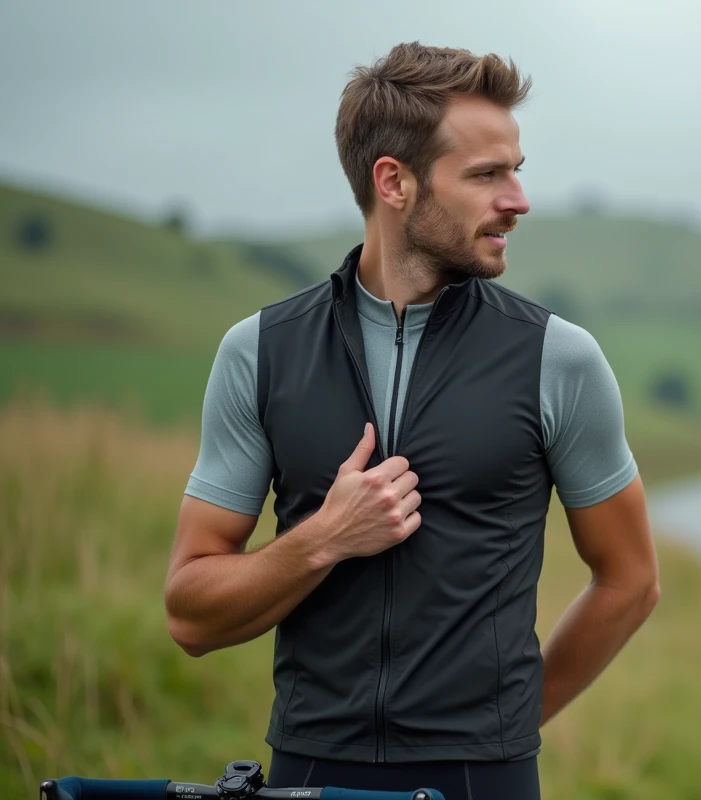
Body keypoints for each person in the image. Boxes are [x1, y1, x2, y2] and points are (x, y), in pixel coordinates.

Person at [163, 42, 660, 800]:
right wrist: (324, 540)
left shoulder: (559, 359)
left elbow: (629, 580)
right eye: (487, 174)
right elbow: (192, 615)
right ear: (393, 181)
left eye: (517, 169)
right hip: (311, 772)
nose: (518, 199)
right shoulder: (260, 352)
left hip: (483, 778)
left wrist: (508, 724)